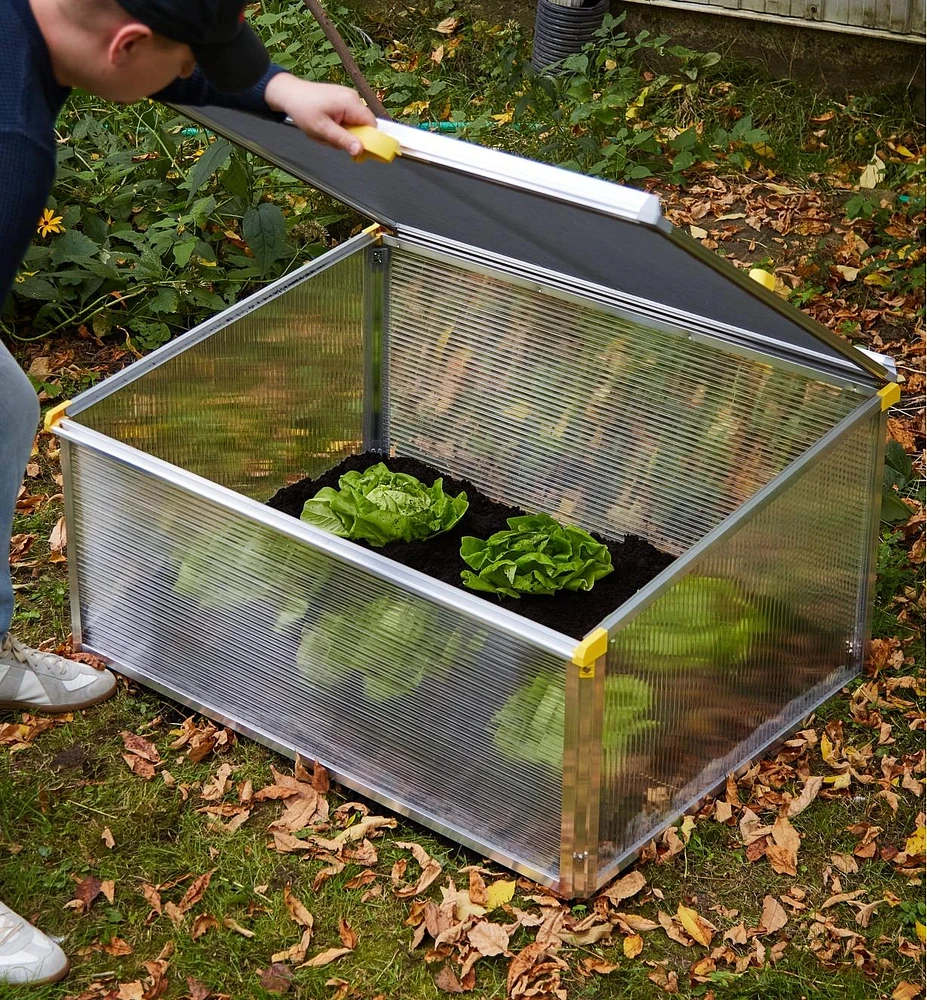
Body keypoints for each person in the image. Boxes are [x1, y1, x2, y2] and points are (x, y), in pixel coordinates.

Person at [0, 0, 376, 984]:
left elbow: (184, 33)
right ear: (125, 44)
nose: (183, 82)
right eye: (178, 71)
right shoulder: (7, 147)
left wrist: (279, 89)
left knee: (3, 402)